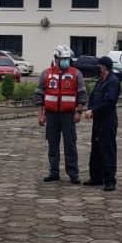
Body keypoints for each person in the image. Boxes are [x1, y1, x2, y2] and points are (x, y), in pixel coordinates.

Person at [35, 45, 88, 184]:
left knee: (70, 144)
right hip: (51, 115)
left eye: (67, 59)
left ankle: (73, 174)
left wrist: (79, 112)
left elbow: (82, 94)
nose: (65, 61)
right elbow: (39, 95)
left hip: (69, 115)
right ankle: (54, 172)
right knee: (53, 144)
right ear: (56, 59)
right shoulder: (46, 74)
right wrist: (40, 114)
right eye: (62, 59)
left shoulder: (76, 73)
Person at [84, 56, 121, 191]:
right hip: (98, 120)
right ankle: (96, 177)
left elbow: (109, 102)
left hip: (107, 120)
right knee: (96, 149)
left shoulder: (112, 81)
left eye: (98, 66)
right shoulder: (100, 81)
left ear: (104, 67)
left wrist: (93, 111)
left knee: (107, 149)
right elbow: (93, 96)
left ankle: (109, 180)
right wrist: (90, 108)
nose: (96, 69)